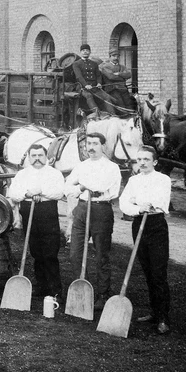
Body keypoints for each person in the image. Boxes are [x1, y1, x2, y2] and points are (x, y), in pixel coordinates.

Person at [64, 131, 122, 308]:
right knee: (75, 253)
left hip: (101, 210)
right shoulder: (81, 166)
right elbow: (67, 187)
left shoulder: (112, 167)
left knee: (101, 255)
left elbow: (103, 188)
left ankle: (103, 295)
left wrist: (82, 185)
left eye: (95, 144)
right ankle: (84, 291)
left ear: (103, 146)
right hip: (82, 209)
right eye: (88, 144)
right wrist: (80, 188)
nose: (91, 147)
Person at [119, 145, 172, 335]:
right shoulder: (133, 180)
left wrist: (142, 203)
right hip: (139, 224)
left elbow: (160, 202)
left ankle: (163, 317)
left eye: (146, 159)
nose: (142, 163)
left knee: (158, 272)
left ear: (155, 162)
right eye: (139, 159)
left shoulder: (163, 179)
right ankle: (154, 312)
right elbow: (124, 203)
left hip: (156, 225)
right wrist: (137, 208)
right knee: (147, 270)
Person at [7, 143, 65, 301]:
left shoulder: (54, 174)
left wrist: (41, 192)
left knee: (50, 253)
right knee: (36, 251)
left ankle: (55, 290)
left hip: (47, 213)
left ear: (46, 157)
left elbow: (59, 192)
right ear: (29, 157)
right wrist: (27, 193)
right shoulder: (22, 174)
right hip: (28, 213)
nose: (37, 158)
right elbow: (14, 193)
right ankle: (41, 286)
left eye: (40, 155)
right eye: (34, 155)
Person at [71, 44, 113, 119]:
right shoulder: (76, 64)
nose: (85, 52)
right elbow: (79, 76)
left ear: (90, 52)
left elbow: (98, 75)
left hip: (94, 87)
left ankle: (112, 115)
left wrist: (99, 83)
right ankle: (98, 115)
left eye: (87, 50)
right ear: (80, 52)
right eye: (83, 50)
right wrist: (85, 85)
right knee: (89, 96)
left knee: (106, 97)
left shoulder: (94, 64)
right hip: (82, 87)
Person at [99, 51, 134, 115]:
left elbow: (129, 75)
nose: (116, 58)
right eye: (114, 56)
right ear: (110, 57)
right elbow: (111, 77)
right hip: (112, 89)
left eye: (117, 56)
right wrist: (123, 77)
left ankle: (130, 118)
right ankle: (123, 117)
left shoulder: (122, 66)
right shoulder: (106, 66)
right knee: (121, 105)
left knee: (129, 104)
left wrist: (119, 73)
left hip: (123, 88)